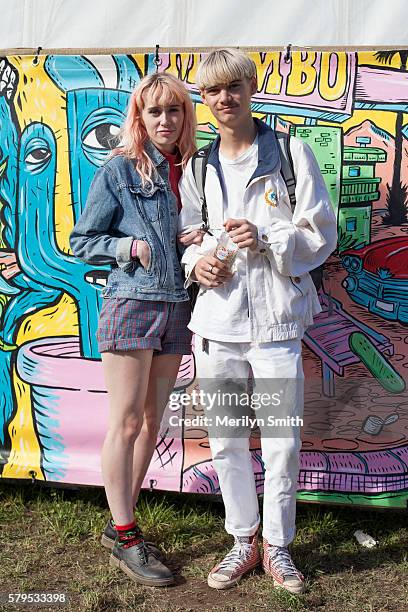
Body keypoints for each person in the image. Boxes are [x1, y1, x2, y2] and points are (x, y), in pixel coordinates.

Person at [178, 49, 337, 594]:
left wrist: (269, 239)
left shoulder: (291, 152)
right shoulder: (199, 167)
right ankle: (243, 539)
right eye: (214, 91)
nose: (225, 99)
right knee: (224, 437)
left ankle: (278, 545)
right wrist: (196, 263)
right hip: (218, 325)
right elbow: (186, 235)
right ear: (206, 98)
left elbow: (321, 235)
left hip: (274, 327)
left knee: (280, 441)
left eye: (234, 87)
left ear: (251, 87)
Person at [70, 72, 197, 586]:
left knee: (152, 421)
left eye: (175, 111)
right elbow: (84, 240)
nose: (165, 121)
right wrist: (128, 248)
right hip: (132, 304)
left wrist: (195, 237)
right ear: (139, 119)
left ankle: (122, 521)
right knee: (124, 422)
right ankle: (126, 537)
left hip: (177, 307)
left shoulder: (192, 169)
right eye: (155, 112)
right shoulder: (120, 170)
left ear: (186, 115)